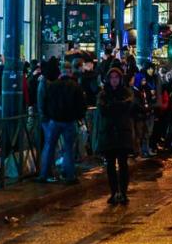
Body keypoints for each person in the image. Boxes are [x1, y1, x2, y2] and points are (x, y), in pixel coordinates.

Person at [39, 61, 87, 184]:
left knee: (49, 147)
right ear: (70, 71)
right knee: (68, 148)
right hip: (69, 121)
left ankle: (44, 174)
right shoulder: (75, 86)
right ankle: (69, 175)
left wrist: (49, 115)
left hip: (54, 120)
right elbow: (81, 105)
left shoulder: (53, 85)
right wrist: (79, 116)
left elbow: (46, 102)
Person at [96, 66, 134, 204]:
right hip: (108, 133)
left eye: (116, 77)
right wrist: (117, 107)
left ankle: (123, 192)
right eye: (111, 78)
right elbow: (102, 109)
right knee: (110, 165)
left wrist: (113, 106)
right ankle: (113, 192)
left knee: (123, 164)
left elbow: (128, 106)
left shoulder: (125, 92)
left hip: (122, 132)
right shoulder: (103, 94)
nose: (114, 80)